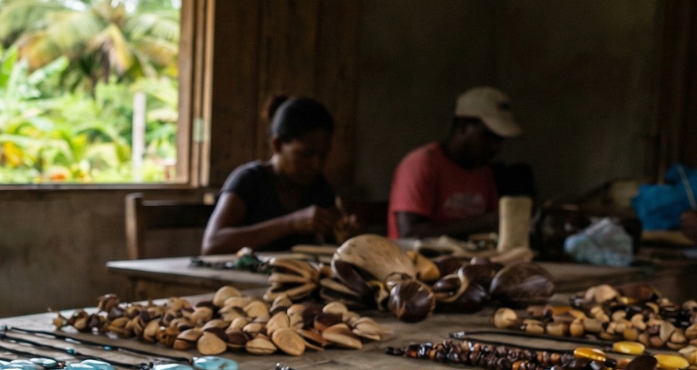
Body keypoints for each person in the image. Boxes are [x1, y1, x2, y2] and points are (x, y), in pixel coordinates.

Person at [201, 96, 353, 254]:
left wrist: (344, 231)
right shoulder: (249, 180)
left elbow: (334, 242)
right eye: (306, 154)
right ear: (278, 144)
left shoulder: (318, 187)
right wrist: (291, 223)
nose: (316, 164)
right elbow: (212, 244)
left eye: (323, 155)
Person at [387, 86, 524, 240]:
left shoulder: (482, 169)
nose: (496, 146)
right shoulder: (421, 164)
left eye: (500, 139)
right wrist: (486, 222)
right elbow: (410, 233)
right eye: (489, 136)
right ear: (464, 127)